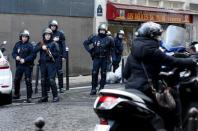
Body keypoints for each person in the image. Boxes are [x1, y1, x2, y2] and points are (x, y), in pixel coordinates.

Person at [123, 21, 197, 131]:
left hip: (131, 88)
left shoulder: (134, 50)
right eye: (158, 35)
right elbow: (172, 61)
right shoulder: (152, 50)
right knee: (170, 108)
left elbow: (126, 73)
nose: (159, 37)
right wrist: (191, 61)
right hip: (147, 88)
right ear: (152, 35)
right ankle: (176, 127)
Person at [83, 24, 115, 95]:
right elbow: (85, 43)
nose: (102, 32)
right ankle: (93, 88)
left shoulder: (110, 39)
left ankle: (101, 88)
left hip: (105, 59)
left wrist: (112, 58)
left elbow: (113, 49)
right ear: (98, 30)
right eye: (101, 30)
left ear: (105, 31)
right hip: (96, 58)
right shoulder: (94, 37)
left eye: (103, 30)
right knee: (94, 73)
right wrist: (90, 51)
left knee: (103, 74)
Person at [33, 28, 59, 102]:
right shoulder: (41, 43)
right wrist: (41, 47)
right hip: (43, 64)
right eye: (46, 35)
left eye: (49, 35)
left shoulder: (54, 44)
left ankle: (55, 96)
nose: (47, 36)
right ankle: (44, 96)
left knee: (51, 80)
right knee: (43, 80)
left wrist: (47, 49)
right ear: (44, 36)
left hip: (51, 64)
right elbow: (34, 50)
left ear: (51, 36)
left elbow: (57, 54)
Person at [12, 29, 34, 103]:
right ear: (21, 37)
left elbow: (32, 55)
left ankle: (29, 97)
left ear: (28, 38)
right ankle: (17, 94)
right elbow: (13, 53)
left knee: (28, 81)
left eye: (26, 37)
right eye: (23, 36)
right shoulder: (17, 44)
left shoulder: (30, 45)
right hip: (19, 65)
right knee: (16, 80)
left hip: (27, 66)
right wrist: (16, 57)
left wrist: (25, 59)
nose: (24, 38)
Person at [48, 19, 67, 93]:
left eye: (54, 26)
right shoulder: (48, 33)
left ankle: (61, 87)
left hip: (58, 56)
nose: (53, 27)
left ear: (56, 26)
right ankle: (49, 87)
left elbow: (63, 45)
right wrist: (53, 40)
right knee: (50, 72)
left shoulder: (60, 34)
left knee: (59, 72)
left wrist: (64, 56)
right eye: (52, 26)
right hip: (50, 56)